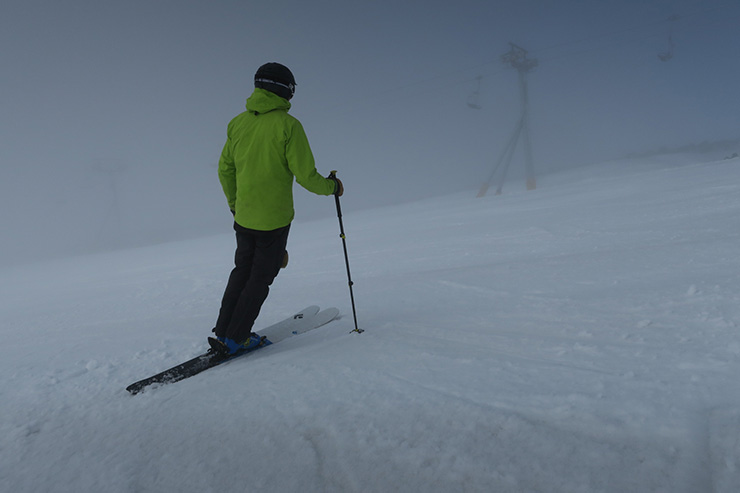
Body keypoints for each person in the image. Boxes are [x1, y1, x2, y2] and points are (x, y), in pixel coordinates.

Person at [209, 62, 343, 355]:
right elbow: (306, 176)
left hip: (243, 216)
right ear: (284, 90)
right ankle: (237, 337)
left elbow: (224, 170)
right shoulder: (288, 126)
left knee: (242, 271)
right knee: (260, 277)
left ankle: (224, 331)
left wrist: (234, 205)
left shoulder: (237, 123)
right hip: (273, 221)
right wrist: (333, 187)